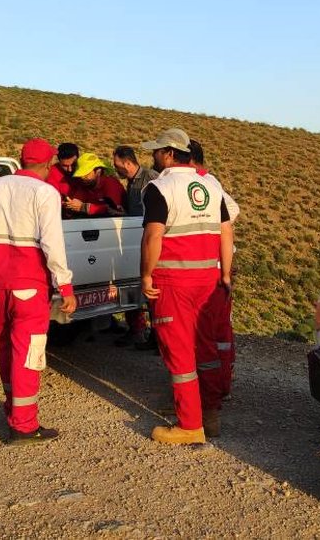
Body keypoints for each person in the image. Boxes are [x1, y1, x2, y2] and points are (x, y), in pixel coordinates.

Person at [0, 138, 79, 444]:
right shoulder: (45, 193)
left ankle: (12, 407)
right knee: (28, 351)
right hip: (29, 285)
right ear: (47, 165)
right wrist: (65, 285)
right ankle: (23, 423)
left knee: (5, 345)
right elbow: (52, 243)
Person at [140, 128, 233, 444]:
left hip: (173, 282)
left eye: (156, 151)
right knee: (204, 349)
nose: (152, 156)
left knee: (180, 355)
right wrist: (225, 275)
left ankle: (190, 426)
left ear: (168, 153)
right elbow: (225, 232)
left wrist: (146, 275)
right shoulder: (210, 184)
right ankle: (210, 415)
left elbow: (153, 236)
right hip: (207, 280)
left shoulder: (159, 188)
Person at [188, 140, 239, 399]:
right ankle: (220, 387)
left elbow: (231, 211)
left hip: (214, 267)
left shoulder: (204, 182)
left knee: (210, 333)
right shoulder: (207, 182)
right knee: (219, 333)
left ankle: (212, 391)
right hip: (218, 265)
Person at [112, 145, 160, 348]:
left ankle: (157, 338)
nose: (115, 169)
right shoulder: (131, 183)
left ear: (127, 163)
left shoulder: (150, 177)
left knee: (153, 289)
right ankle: (138, 330)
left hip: (150, 239)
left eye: (117, 165)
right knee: (132, 285)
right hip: (133, 240)